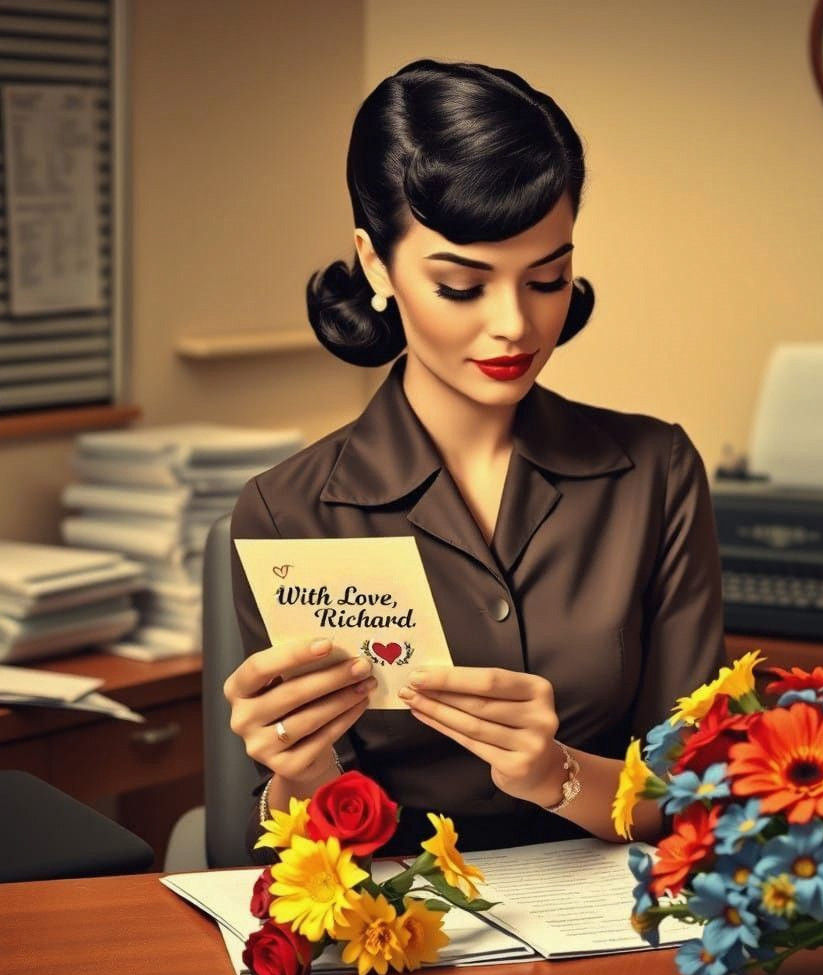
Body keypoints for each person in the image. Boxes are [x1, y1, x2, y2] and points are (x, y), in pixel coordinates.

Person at [224, 58, 726, 864]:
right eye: (462, 285)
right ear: (377, 263)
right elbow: (298, 849)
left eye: (548, 278)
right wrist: (302, 770)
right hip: (405, 936)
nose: (515, 326)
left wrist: (561, 774)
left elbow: (699, 794)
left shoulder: (656, 471)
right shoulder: (289, 511)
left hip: (622, 931)